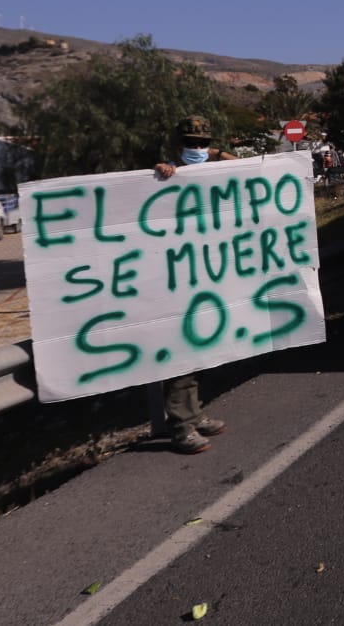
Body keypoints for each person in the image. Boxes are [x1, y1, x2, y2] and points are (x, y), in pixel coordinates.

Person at [152, 115, 236, 454]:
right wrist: (161, 171)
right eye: (192, 144)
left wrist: (214, 154)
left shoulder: (208, 169)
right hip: (175, 279)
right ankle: (181, 427)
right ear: (177, 147)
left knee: (199, 350)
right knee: (180, 352)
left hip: (204, 276)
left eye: (203, 144)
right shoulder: (163, 175)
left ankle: (194, 413)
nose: (198, 150)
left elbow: (241, 166)